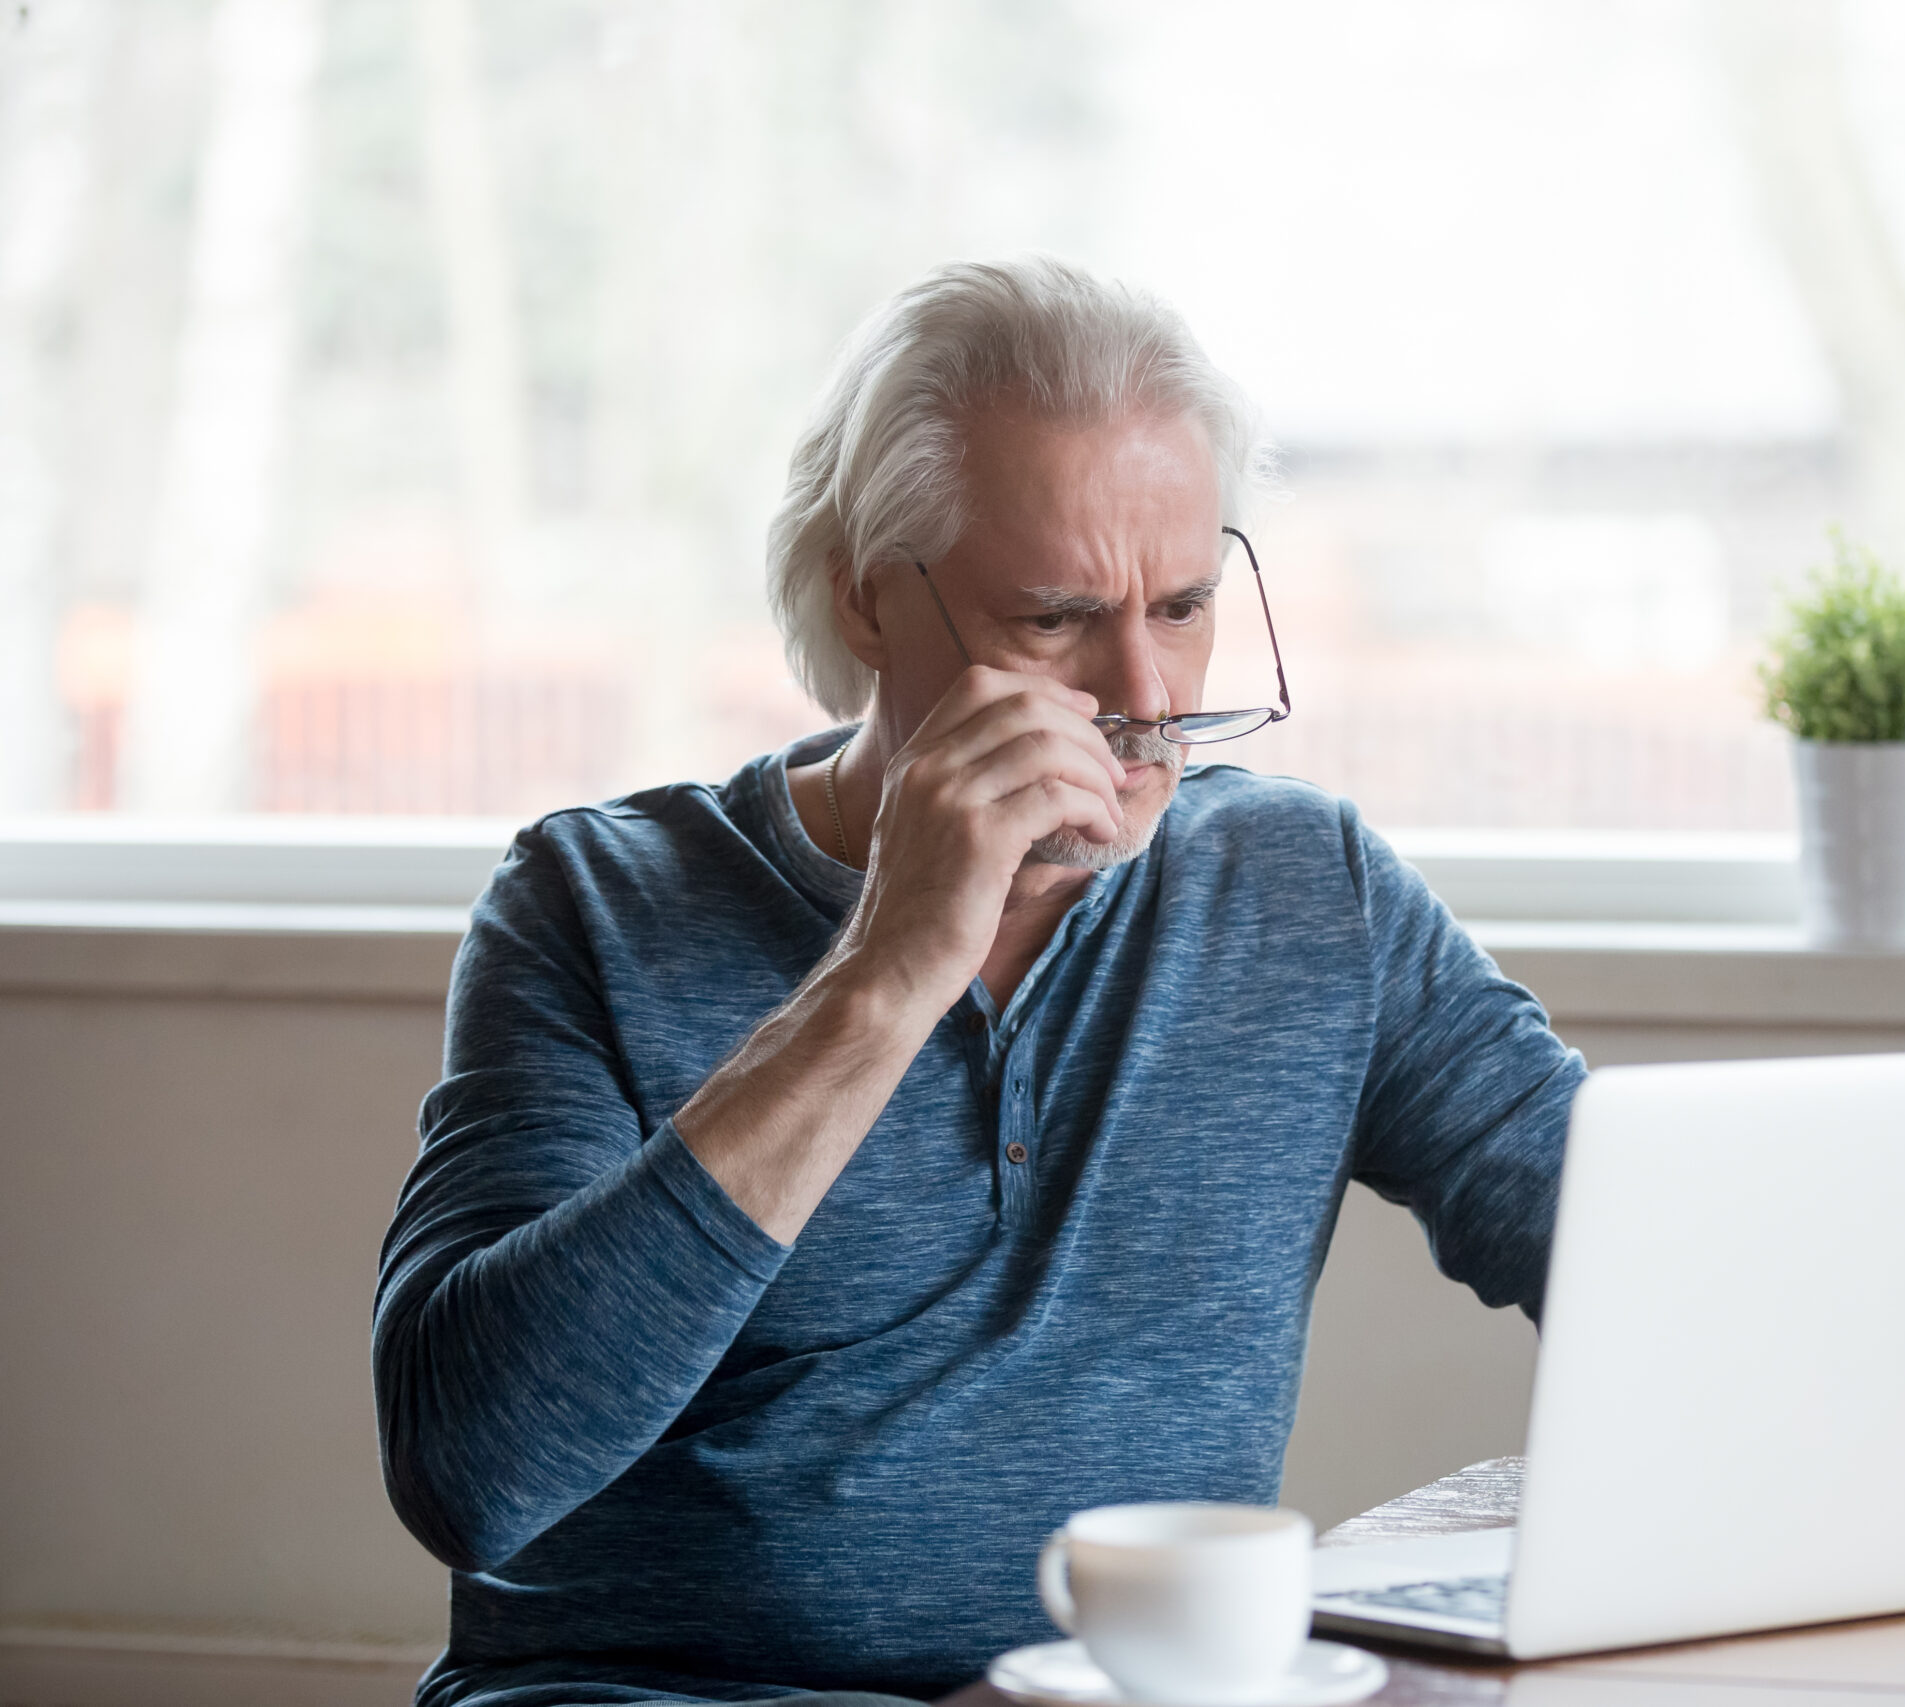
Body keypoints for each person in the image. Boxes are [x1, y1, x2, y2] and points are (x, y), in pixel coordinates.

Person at [373, 256, 1584, 1707]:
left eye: (1185, 604)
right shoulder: (591, 903)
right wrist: (886, 972)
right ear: (868, 600)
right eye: (1058, 616)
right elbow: (471, 1470)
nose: (1146, 701)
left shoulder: (1303, 893)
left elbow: (1635, 1253)